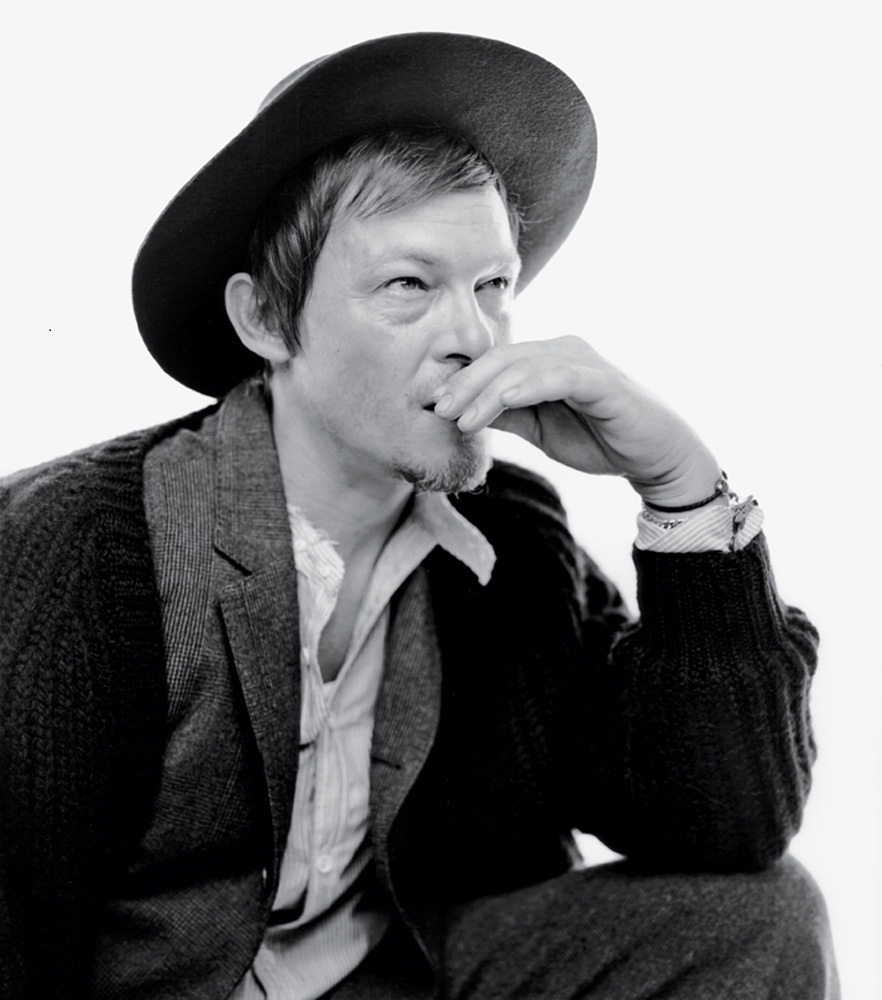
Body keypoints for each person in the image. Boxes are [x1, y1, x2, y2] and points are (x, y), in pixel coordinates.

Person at [0, 31, 838, 1000]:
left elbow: (725, 826)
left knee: (764, 913)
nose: (473, 336)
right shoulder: (70, 547)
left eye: (493, 286)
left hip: (406, 974)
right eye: (409, 285)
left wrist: (681, 487)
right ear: (267, 319)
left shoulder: (513, 538)